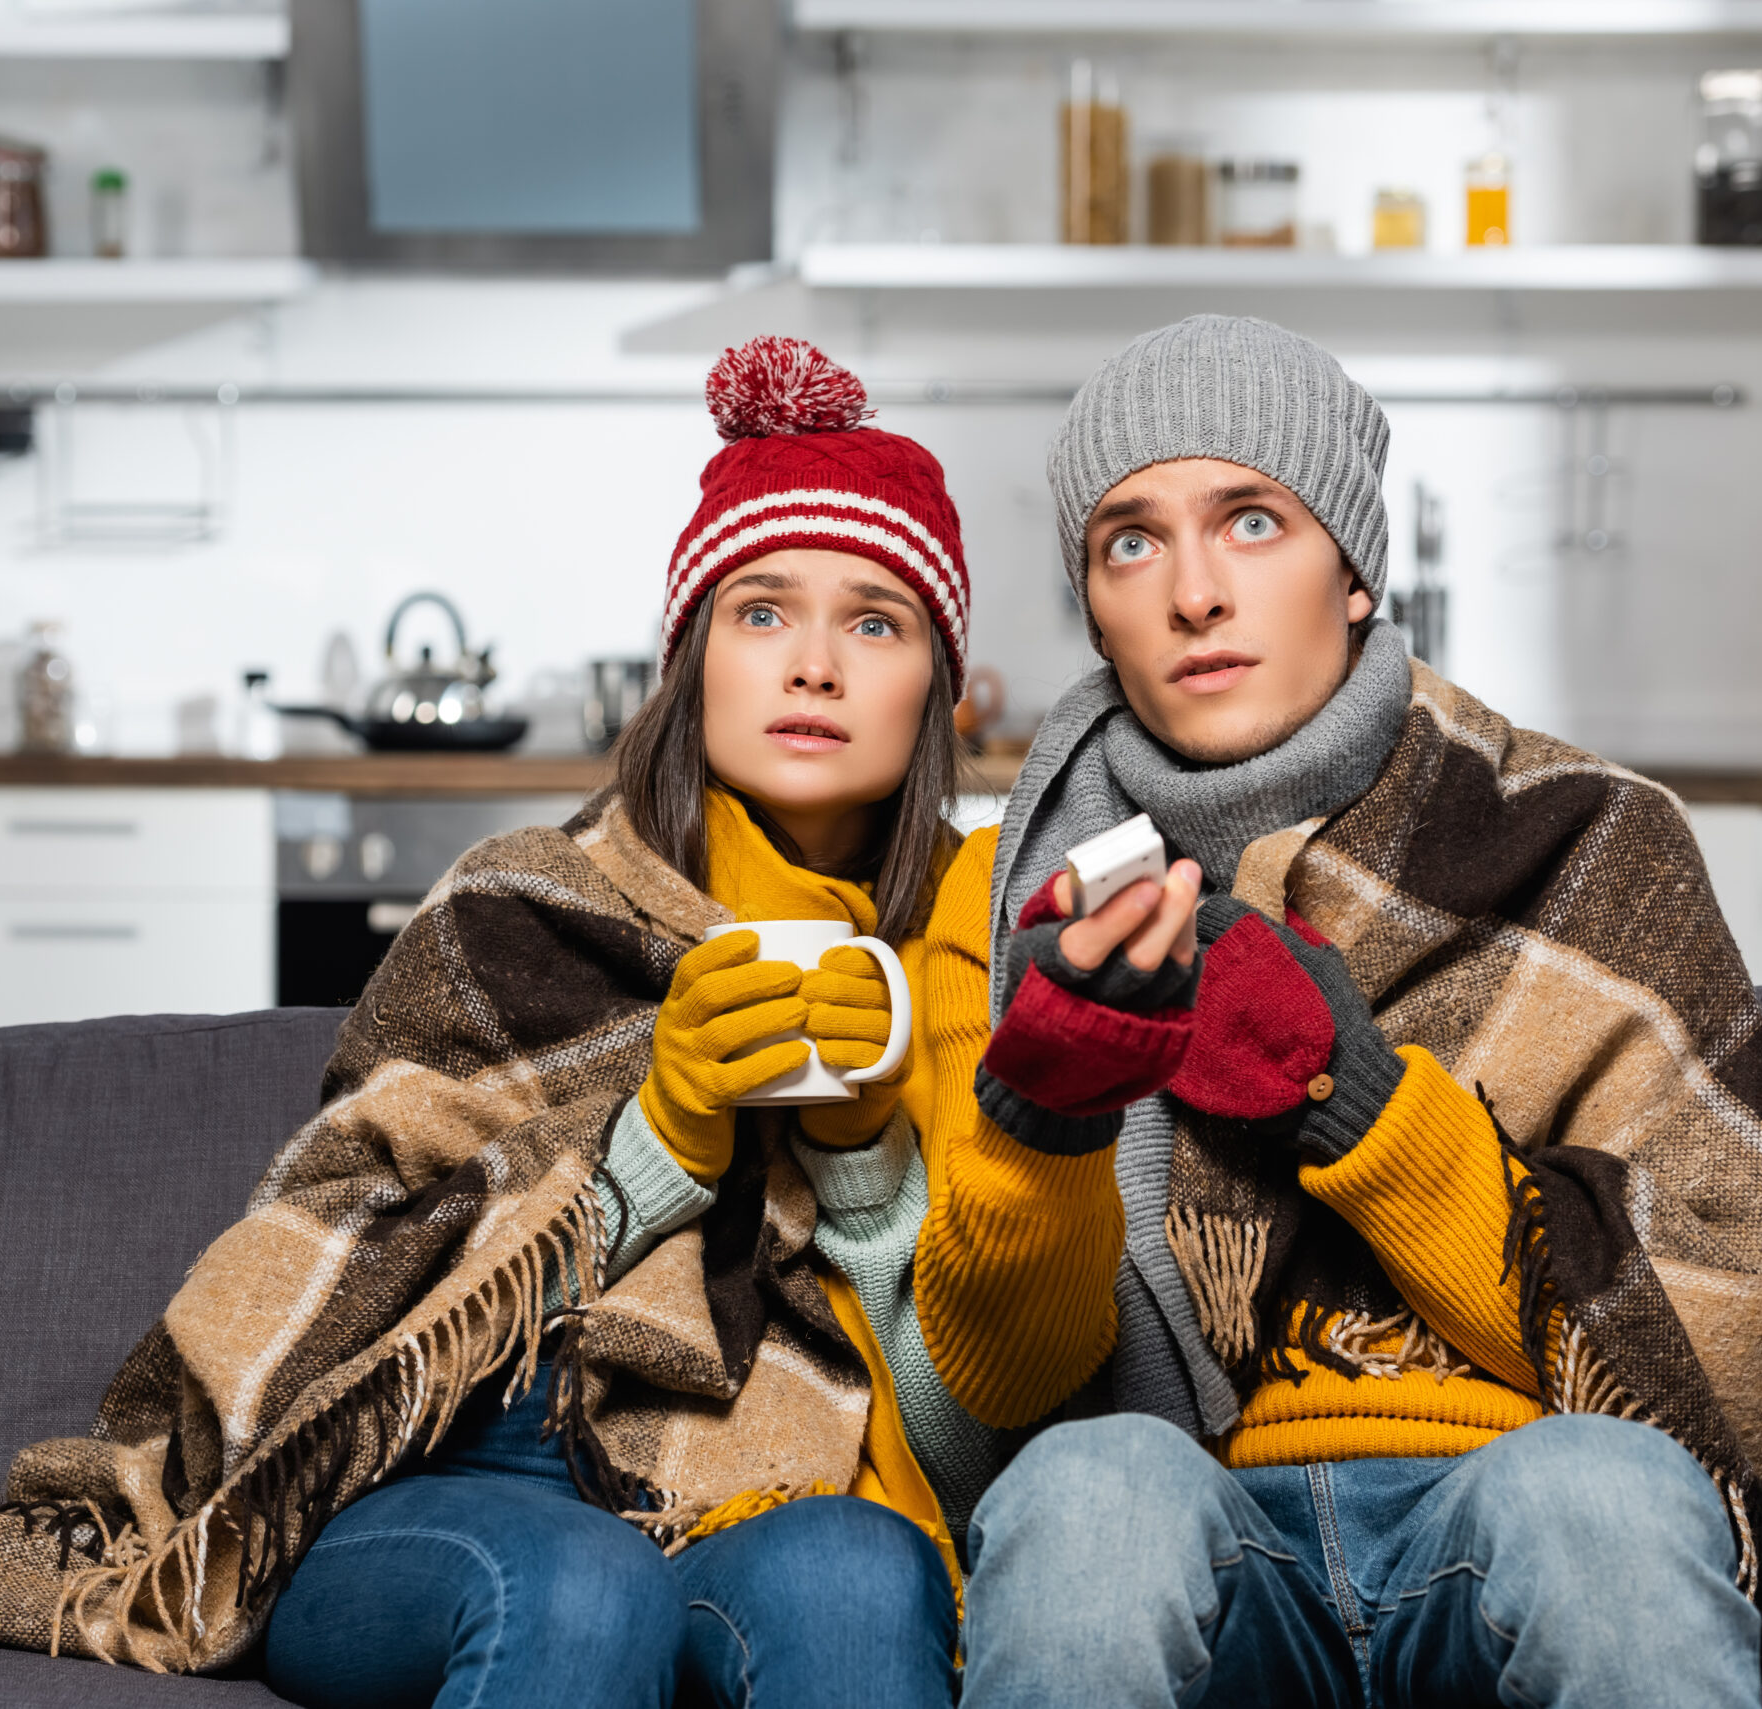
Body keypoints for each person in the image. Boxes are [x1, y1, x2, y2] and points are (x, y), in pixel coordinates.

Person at [954, 314, 1762, 1709]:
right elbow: (997, 1393)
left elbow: (1725, 1333)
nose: (1193, 593)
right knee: (1083, 1487)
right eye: (1132, 540)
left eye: (1252, 521)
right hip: (1214, 1528)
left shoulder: (1594, 840)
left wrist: (1351, 1093)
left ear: (1353, 572)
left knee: (1598, 1497)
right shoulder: (1025, 894)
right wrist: (1043, 1118)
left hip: (1513, 1497)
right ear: (1095, 600)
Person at [250, 334, 1122, 1708]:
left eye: (877, 621)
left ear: (934, 693)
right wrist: (661, 1135)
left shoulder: (968, 953)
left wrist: (857, 1156)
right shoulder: (520, 905)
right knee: (577, 1585)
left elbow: (970, 1444)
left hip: (765, 1476)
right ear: (692, 656)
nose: (816, 665)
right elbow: (338, 1302)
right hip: (448, 1479)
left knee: (864, 1565)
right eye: (762, 611)